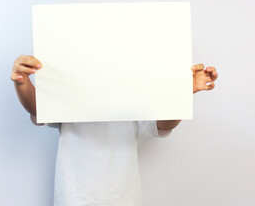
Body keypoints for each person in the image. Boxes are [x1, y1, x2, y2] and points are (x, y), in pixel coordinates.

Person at [11, 55, 218, 206]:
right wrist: (22, 81)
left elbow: (162, 124)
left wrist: (180, 94)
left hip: (123, 199)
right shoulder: (69, 95)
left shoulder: (133, 99)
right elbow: (39, 108)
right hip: (72, 198)